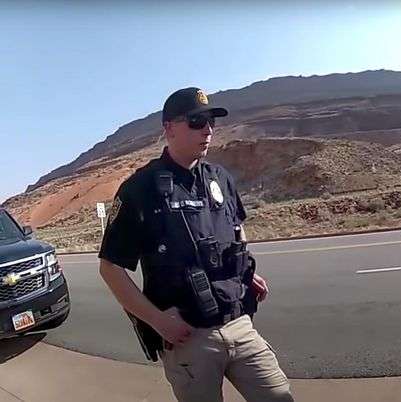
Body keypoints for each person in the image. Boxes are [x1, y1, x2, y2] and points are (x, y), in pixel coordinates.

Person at [98, 87, 294, 402]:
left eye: (210, 121)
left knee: (279, 396)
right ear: (169, 128)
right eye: (196, 121)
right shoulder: (140, 189)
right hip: (189, 338)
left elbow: (236, 229)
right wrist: (158, 321)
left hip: (239, 323)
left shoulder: (220, 178)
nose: (207, 129)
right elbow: (110, 267)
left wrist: (246, 273)